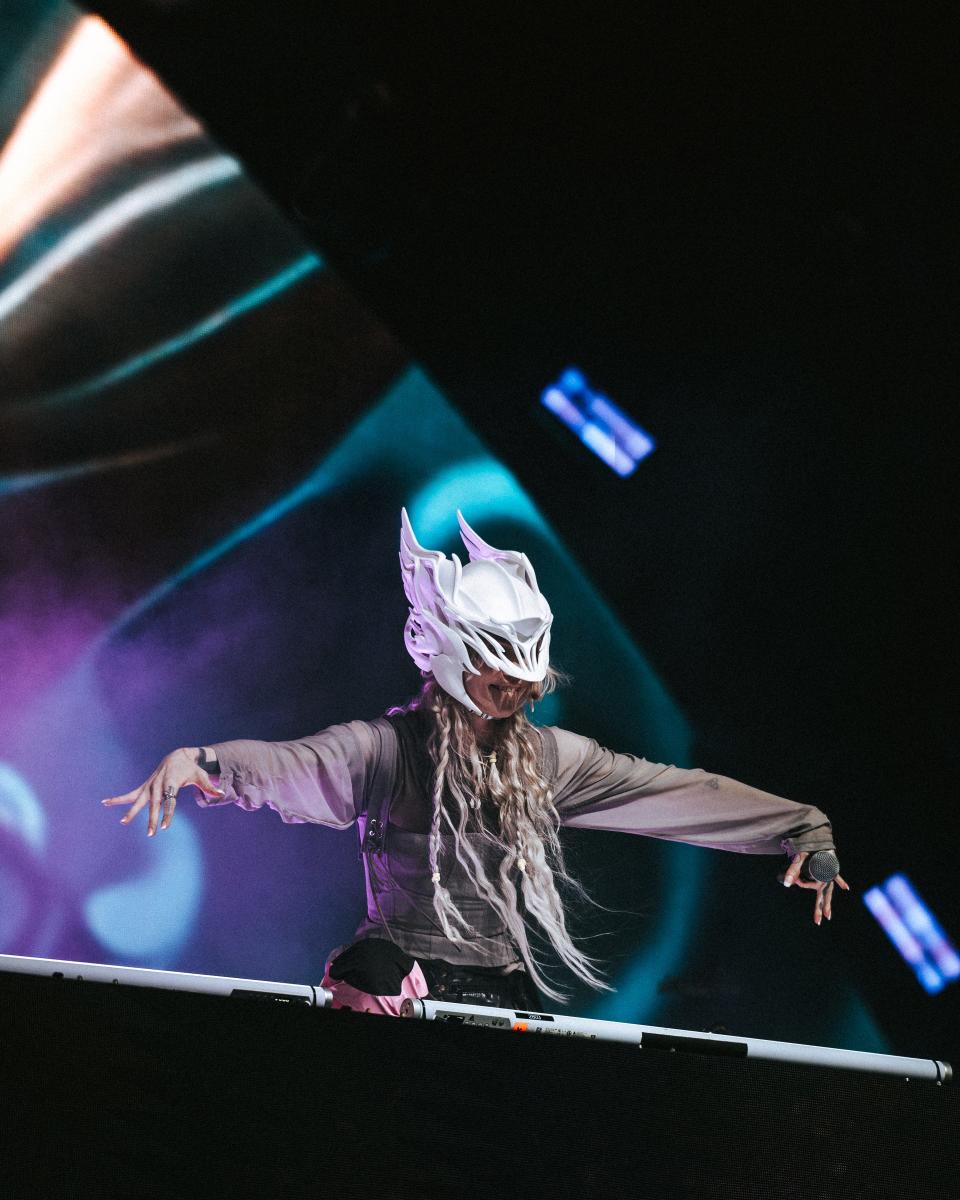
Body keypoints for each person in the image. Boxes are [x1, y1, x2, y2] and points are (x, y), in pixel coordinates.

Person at [103, 509, 848, 1014]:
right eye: (500, 682)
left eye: (525, 685)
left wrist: (799, 826)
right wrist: (200, 761)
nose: (515, 698)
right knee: (374, 985)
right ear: (455, 661)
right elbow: (295, 763)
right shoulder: (390, 749)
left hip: (497, 984)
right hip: (397, 975)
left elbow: (672, 792)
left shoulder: (550, 759)